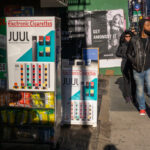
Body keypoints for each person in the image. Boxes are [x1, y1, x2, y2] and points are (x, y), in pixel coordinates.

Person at [127, 18, 150, 115]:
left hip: (149, 68)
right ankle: (142, 108)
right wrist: (134, 62)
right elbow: (128, 53)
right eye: (148, 25)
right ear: (142, 27)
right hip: (137, 69)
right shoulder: (134, 39)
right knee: (140, 89)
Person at [116, 30, 134, 103]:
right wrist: (125, 55)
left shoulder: (134, 44)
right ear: (124, 37)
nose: (128, 38)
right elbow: (117, 53)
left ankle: (133, 95)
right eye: (126, 36)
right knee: (126, 81)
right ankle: (127, 96)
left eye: (129, 36)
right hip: (125, 64)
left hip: (133, 65)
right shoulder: (122, 45)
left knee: (133, 81)